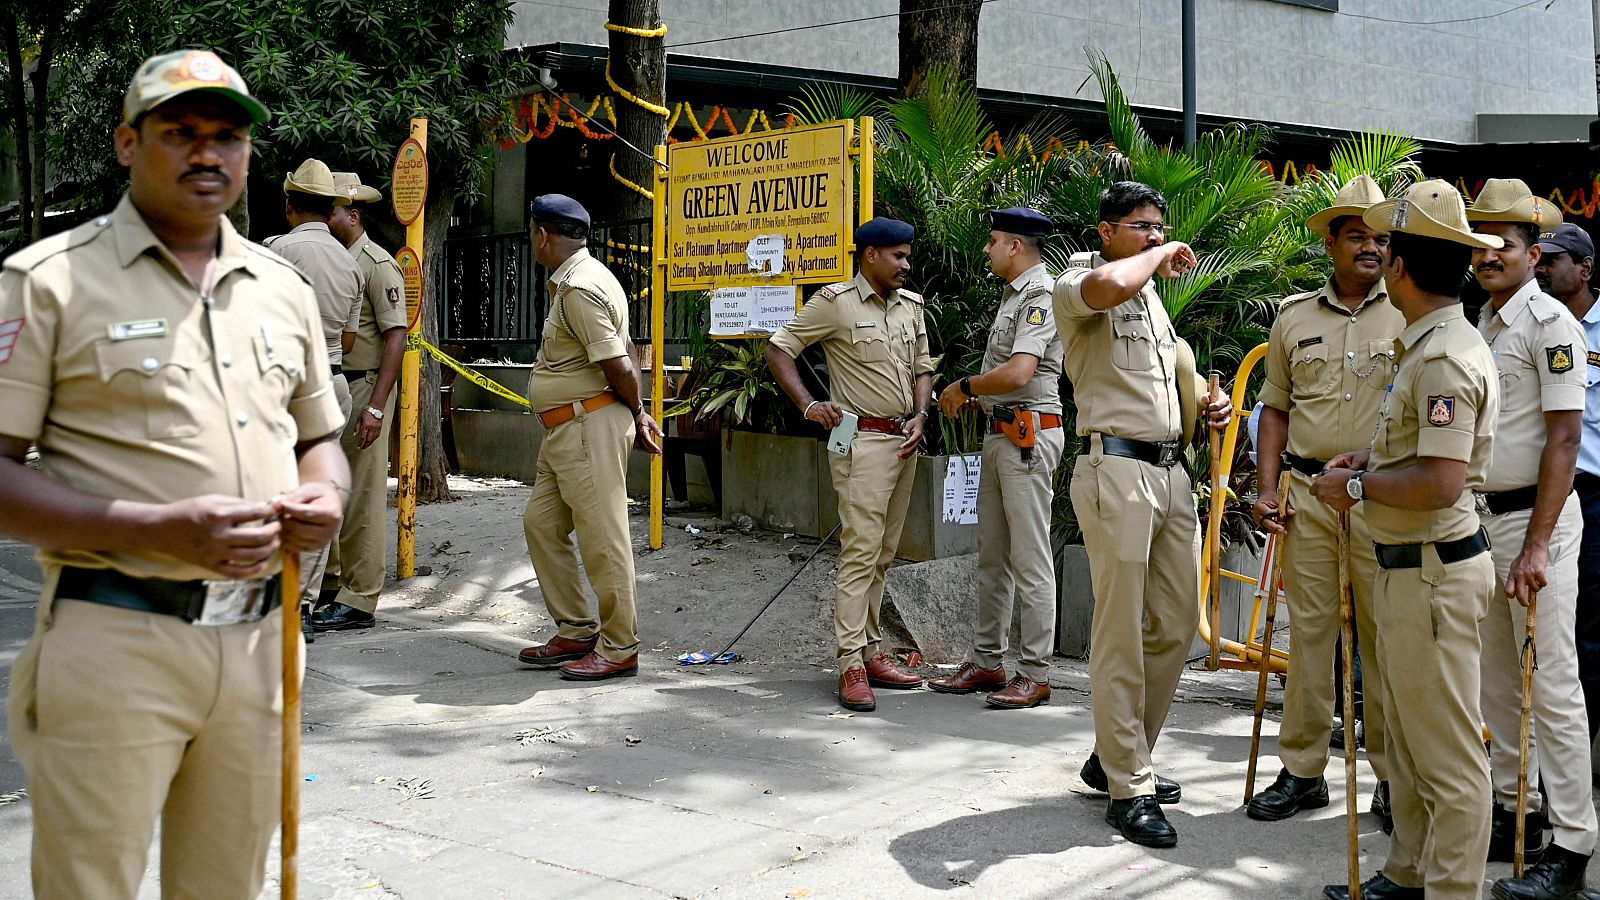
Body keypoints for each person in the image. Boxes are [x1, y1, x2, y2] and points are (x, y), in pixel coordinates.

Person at [0, 49, 349, 898]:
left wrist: (327, 494)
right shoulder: (45, 282)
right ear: (127, 143)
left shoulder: (281, 287)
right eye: (180, 133)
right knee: (91, 886)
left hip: (262, 643)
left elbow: (320, 437)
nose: (207, 153)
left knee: (227, 886)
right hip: (117, 636)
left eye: (227, 137)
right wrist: (153, 528)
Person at [1312, 179, 1501, 900]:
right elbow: (1419, 459)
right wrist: (1373, 463)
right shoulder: (1422, 343)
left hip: (1431, 573)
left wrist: (1356, 488)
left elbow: (1443, 482)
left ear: (1397, 267)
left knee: (1448, 758)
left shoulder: (1444, 355)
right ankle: (1410, 871)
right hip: (1406, 569)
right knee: (1414, 745)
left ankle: (1451, 890)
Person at [1050, 181, 1232, 848]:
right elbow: (1105, 289)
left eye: (1160, 227)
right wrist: (1160, 256)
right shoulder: (1075, 280)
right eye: (1140, 227)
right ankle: (1129, 784)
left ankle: (1116, 752)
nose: (1155, 236)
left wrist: (1205, 411)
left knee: (1179, 622)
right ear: (1106, 230)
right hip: (1115, 471)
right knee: (1121, 628)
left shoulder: (1155, 306)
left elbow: (1173, 392)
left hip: (1169, 472)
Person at [1249, 175, 1400, 826]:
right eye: (1357, 236)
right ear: (1333, 243)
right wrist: (1264, 486)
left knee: (1386, 638)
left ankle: (1396, 780)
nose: (1370, 247)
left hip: (1385, 496)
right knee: (1309, 636)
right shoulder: (1293, 317)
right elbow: (1275, 409)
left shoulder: (1411, 311)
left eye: (1381, 238)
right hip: (1307, 495)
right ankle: (1303, 772)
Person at [1464, 179, 1595, 899]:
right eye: (1479, 242)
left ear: (1531, 253)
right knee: (1498, 681)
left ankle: (1573, 847)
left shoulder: (1551, 325)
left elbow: (1564, 437)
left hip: (1535, 524)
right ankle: (1519, 811)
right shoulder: (1480, 323)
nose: (1489, 253)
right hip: (1483, 522)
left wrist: (1538, 545)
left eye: (1503, 244)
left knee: (1552, 685)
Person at [766, 217, 934, 712]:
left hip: (905, 440)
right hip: (858, 441)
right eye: (898, 256)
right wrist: (808, 405)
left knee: (883, 551)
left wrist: (922, 415)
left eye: (907, 255)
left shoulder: (912, 306)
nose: (907, 264)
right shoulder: (835, 303)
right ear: (870, 256)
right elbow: (779, 348)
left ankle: (872, 649)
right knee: (860, 552)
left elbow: (924, 367)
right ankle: (849, 664)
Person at [516, 194, 662, 681]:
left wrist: (638, 412)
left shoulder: (578, 288)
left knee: (604, 538)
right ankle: (577, 629)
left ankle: (620, 647)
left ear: (542, 234)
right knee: (541, 523)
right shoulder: (581, 280)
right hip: (566, 429)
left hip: (586, 426)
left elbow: (620, 363)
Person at [929, 207, 1064, 709]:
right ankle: (988, 662)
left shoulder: (1039, 296)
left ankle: (1035, 672)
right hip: (1003, 436)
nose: (986, 250)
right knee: (994, 557)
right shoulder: (1014, 296)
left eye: (992, 241)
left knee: (1030, 558)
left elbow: (1019, 373)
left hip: (1027, 436)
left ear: (1015, 246)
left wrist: (964, 386)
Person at [262, 158, 364, 624]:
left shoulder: (274, 253)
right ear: (330, 209)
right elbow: (346, 340)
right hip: (333, 382)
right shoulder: (351, 264)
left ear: (289, 205)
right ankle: (303, 604)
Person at [312, 171, 409, 632]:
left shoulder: (377, 264)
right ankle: (333, 583)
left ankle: (359, 597)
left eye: (329, 210)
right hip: (336, 383)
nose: (324, 219)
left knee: (363, 495)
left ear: (352, 215)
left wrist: (376, 406)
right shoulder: (333, 261)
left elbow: (396, 336)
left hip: (366, 387)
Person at [1534, 223, 1600, 743]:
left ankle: (1581, 738)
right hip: (1542, 490)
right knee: (1549, 623)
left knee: (1587, 624)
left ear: (1584, 269)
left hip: (1593, 491)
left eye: (1556, 260)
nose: (1544, 266)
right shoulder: (1535, 325)